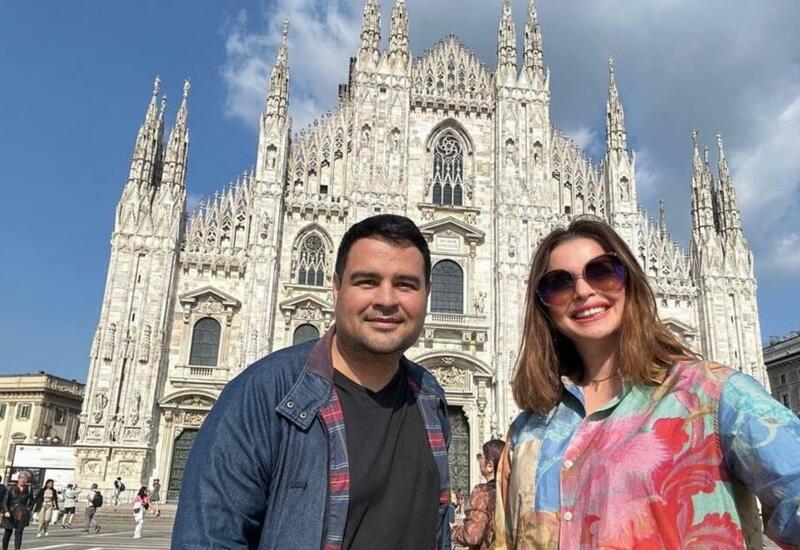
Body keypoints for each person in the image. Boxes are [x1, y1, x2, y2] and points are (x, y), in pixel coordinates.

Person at [493, 217, 800, 548]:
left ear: (630, 280)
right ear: (542, 305)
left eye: (602, 271)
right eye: (558, 283)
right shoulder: (528, 431)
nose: (582, 291)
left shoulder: (709, 394)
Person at [173, 214, 452, 549]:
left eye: (405, 284)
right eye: (367, 281)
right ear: (335, 287)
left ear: (427, 293)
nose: (386, 300)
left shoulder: (430, 399)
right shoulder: (265, 395)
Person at [452, 439, 504, 550]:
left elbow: (472, 536)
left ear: (489, 466)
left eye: (481, 457)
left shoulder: (483, 493)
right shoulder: (510, 492)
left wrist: (452, 531)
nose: (478, 460)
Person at [2, 471, 35, 550]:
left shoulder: (29, 489)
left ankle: (17, 549)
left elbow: (32, 501)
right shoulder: (11, 488)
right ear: (18, 479)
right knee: (8, 533)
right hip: (10, 513)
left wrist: (28, 509)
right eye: (21, 478)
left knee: (19, 533)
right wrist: (6, 511)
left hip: (22, 513)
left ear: (27, 480)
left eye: (25, 479)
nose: (23, 480)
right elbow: (5, 501)